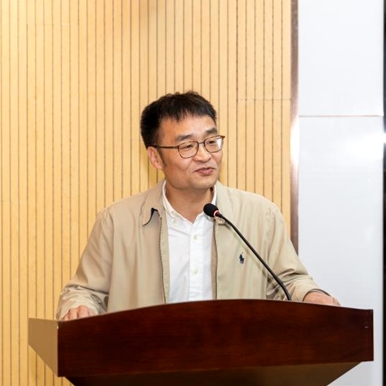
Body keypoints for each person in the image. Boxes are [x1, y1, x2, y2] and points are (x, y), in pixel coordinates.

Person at [57, 91, 339, 321]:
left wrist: (311, 295)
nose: (205, 155)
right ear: (155, 158)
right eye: (187, 146)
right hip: (147, 368)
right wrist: (79, 307)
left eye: (211, 141)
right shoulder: (117, 221)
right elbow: (84, 291)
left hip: (235, 368)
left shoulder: (259, 215)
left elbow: (288, 282)